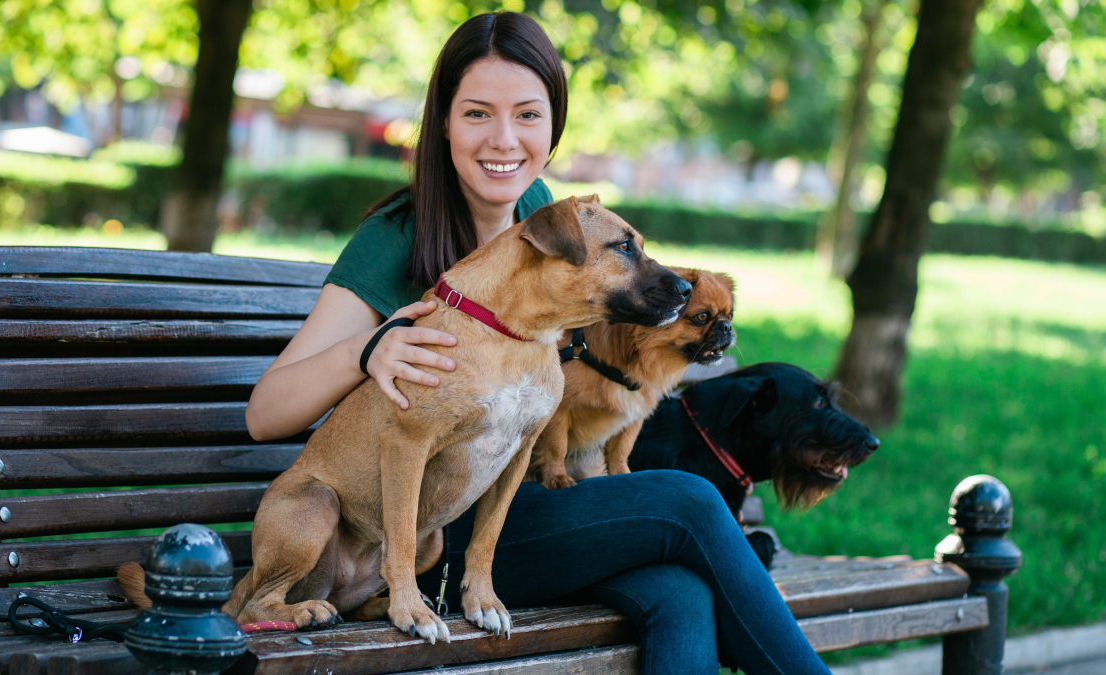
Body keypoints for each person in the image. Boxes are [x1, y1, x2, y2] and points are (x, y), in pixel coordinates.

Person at [245, 11, 831, 674]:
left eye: (528, 114)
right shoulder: (400, 234)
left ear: (553, 125)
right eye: (477, 113)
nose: (503, 139)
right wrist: (368, 349)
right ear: (443, 122)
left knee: (681, 594)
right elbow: (266, 411)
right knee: (688, 501)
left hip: (530, 503)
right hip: (434, 533)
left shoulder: (548, 216)